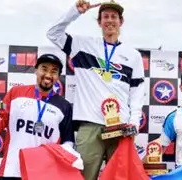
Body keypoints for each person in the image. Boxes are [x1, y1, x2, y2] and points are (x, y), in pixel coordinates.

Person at [46, 0, 145, 179]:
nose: (109, 20)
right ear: (99, 22)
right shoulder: (82, 45)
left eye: (114, 17)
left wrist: (134, 122)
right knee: (83, 177)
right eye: (105, 16)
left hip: (120, 127)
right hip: (89, 125)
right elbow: (53, 33)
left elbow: (137, 91)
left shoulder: (133, 55)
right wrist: (74, 12)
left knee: (120, 177)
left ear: (121, 22)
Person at [0, 54, 75, 180]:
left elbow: (68, 142)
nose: (48, 75)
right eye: (44, 69)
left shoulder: (64, 106)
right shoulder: (16, 93)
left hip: (43, 175)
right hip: (12, 171)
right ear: (36, 70)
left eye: (54, 71)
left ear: (58, 76)